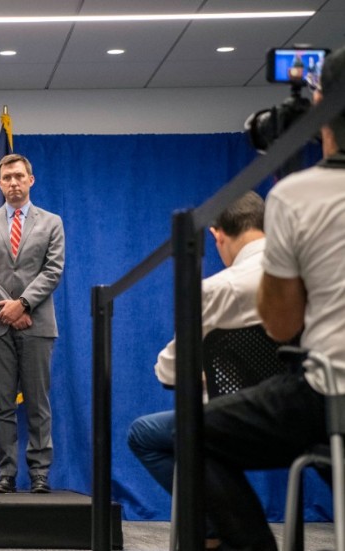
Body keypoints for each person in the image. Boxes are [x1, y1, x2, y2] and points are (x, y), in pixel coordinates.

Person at [201, 46, 345, 551]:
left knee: (193, 434)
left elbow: (282, 324)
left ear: (322, 107)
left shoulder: (297, 194)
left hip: (330, 393)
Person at [126, 191, 267, 549]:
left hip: (231, 422)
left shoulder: (218, 288)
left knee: (145, 434)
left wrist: (208, 368)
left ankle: (212, 527)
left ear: (217, 235)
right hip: (309, 418)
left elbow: (168, 371)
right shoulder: (307, 273)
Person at [0, 153, 65, 494]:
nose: (13, 183)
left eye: (18, 177)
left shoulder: (52, 222)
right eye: (7, 178)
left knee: (38, 403)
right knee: (2, 403)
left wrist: (23, 304)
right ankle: (6, 474)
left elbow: (53, 270)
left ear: (31, 180)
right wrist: (8, 309)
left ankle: (40, 473)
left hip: (37, 324)